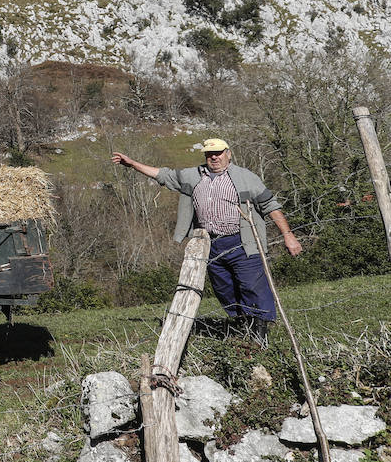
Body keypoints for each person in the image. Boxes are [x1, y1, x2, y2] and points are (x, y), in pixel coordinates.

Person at [111, 138, 302, 344]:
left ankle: (259, 336)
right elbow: (163, 175)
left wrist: (288, 235)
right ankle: (241, 330)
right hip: (210, 245)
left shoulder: (246, 178)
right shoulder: (193, 176)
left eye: (218, 153)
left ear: (228, 153)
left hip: (243, 243)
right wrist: (132, 164)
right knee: (224, 290)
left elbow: (270, 205)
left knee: (252, 287)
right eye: (209, 154)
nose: (214, 157)